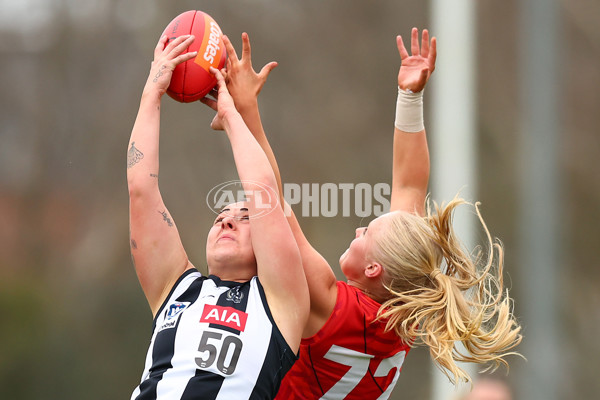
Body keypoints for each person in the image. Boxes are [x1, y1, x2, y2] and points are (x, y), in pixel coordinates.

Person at [205, 28, 522, 399]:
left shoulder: (332, 304)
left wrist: (244, 113)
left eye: (367, 233)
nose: (358, 230)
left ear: (373, 268)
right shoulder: (404, 310)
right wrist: (409, 95)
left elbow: (270, 203)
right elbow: (409, 187)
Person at [127, 34, 309, 399]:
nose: (226, 220)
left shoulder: (279, 299)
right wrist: (152, 92)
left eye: (244, 218)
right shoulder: (176, 288)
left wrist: (230, 113)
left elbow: (263, 191)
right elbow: (141, 189)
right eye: (220, 216)